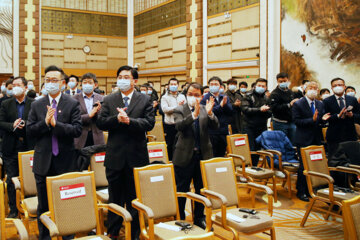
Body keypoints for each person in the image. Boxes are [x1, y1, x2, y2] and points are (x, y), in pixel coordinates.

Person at [96, 65, 155, 240]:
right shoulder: (110, 99)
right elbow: (101, 123)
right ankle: (113, 231)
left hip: (137, 156)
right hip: (115, 156)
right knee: (115, 196)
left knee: (134, 198)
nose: (122, 80)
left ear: (134, 81)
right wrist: (117, 119)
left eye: (126, 77)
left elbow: (149, 123)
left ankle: (135, 232)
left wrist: (130, 121)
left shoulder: (145, 100)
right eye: (120, 76)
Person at [27, 65, 82, 240]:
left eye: (54, 80)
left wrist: (55, 125)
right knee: (44, 205)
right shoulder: (37, 104)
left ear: (63, 83)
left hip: (65, 162)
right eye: (47, 80)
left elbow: (77, 130)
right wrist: (44, 123)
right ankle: (45, 237)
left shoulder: (72, 103)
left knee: (66, 203)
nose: (50, 83)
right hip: (43, 162)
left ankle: (68, 235)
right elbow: (30, 131)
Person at [172, 82, 218, 228]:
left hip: (203, 155)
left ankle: (199, 217)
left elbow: (216, 126)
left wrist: (210, 114)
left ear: (202, 96)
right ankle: (180, 217)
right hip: (184, 155)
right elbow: (179, 126)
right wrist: (194, 115)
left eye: (196, 95)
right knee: (181, 189)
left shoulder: (206, 109)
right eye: (190, 94)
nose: (193, 97)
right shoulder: (179, 109)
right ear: (186, 95)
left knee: (201, 189)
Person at [0, 76, 35, 218]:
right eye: (13, 85)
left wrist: (25, 124)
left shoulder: (34, 104)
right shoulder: (6, 104)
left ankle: (29, 206)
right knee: (11, 179)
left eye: (18, 85)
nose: (15, 87)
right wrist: (12, 125)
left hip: (29, 146)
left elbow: (37, 122)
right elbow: (0, 122)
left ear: (26, 87)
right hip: (11, 147)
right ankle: (13, 209)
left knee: (29, 178)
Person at [292, 81, 325, 202]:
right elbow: (297, 121)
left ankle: (311, 189)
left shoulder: (320, 104)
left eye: (316, 88)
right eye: (311, 87)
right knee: (304, 167)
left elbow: (320, 120)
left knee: (314, 165)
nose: (314, 90)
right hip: (303, 139)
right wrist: (312, 120)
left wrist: (323, 120)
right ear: (305, 89)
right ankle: (301, 191)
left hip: (316, 139)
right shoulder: (298, 104)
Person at [323, 77, 360, 159]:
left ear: (344, 86)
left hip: (350, 135)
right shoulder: (327, 101)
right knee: (335, 162)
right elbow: (324, 118)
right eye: (335, 85)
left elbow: (358, 116)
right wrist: (337, 116)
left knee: (352, 160)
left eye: (340, 85)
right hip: (334, 136)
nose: (338, 87)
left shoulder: (353, 100)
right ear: (332, 88)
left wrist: (352, 115)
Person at [241, 78, 272, 165]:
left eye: (263, 86)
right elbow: (245, 109)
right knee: (250, 149)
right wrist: (259, 110)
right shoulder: (248, 95)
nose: (261, 87)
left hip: (262, 126)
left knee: (259, 149)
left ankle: (255, 166)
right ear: (255, 86)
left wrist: (266, 111)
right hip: (249, 126)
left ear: (266, 87)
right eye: (259, 85)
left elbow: (270, 111)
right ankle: (247, 168)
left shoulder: (266, 98)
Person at [201, 76, 233, 157]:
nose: (214, 86)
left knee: (221, 153)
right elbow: (207, 112)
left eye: (216, 84)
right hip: (211, 131)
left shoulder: (224, 97)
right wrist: (220, 106)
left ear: (220, 86)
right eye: (211, 84)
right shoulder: (205, 98)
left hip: (223, 130)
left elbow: (230, 111)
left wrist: (224, 105)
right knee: (212, 154)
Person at [74, 73, 104, 149]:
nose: (87, 84)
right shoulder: (74, 99)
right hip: (80, 137)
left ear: (95, 85)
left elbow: (104, 119)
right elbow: (73, 119)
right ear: (81, 85)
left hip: (97, 137)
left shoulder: (102, 98)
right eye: (84, 82)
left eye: (90, 82)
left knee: (96, 160)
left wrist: (98, 112)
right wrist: (89, 115)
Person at [161, 78, 186, 161]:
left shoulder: (182, 96)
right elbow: (165, 110)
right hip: (170, 125)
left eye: (175, 84)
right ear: (168, 86)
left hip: (180, 124)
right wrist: (177, 107)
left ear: (178, 86)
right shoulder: (164, 97)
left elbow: (185, 109)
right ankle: (171, 162)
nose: (173, 86)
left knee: (181, 145)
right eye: (171, 84)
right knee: (171, 145)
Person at [269, 72, 298, 144]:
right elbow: (274, 108)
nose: (283, 83)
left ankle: (292, 155)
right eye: (280, 81)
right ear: (277, 82)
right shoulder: (274, 93)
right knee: (282, 144)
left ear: (288, 80)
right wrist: (289, 105)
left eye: (284, 81)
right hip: (280, 123)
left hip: (291, 122)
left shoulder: (290, 92)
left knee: (293, 143)